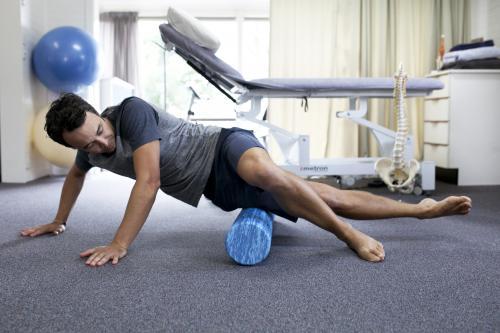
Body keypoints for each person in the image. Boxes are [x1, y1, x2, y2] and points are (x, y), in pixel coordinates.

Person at [20, 93, 472, 267]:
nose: (100, 144)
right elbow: (75, 179)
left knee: (265, 172)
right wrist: (58, 220)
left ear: (100, 113)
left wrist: (119, 243)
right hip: (216, 188)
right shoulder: (88, 152)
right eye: (89, 144)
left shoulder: (131, 113)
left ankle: (349, 236)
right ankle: (421, 210)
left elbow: (149, 180)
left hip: (225, 147)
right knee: (322, 195)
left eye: (99, 131)